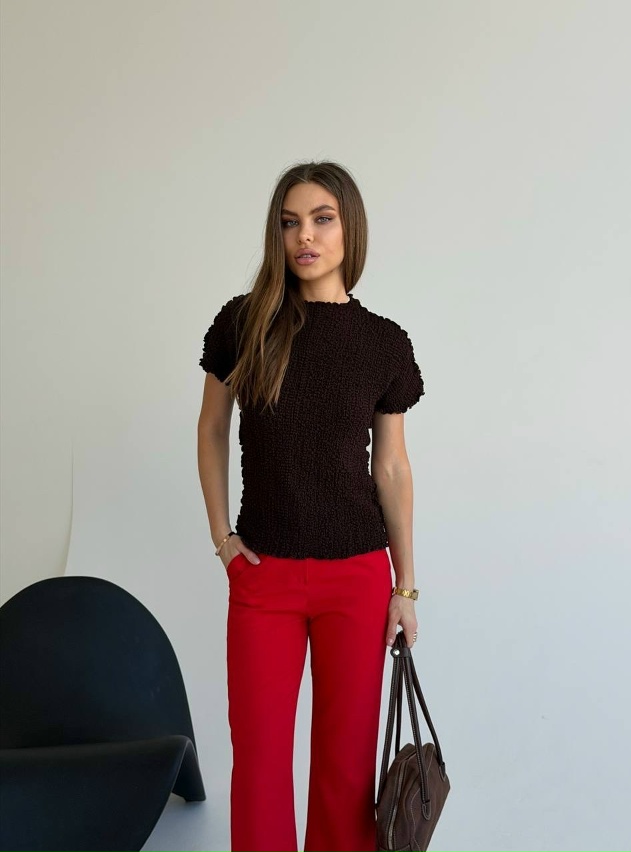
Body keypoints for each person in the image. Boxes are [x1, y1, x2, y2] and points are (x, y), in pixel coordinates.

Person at [197, 160, 424, 852]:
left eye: (322, 219)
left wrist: (405, 587)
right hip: (262, 575)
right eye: (289, 222)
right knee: (260, 762)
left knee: (346, 770)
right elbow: (211, 428)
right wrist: (222, 538)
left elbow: (391, 467)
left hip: (356, 578)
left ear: (349, 228)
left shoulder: (383, 343)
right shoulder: (244, 324)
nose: (305, 236)